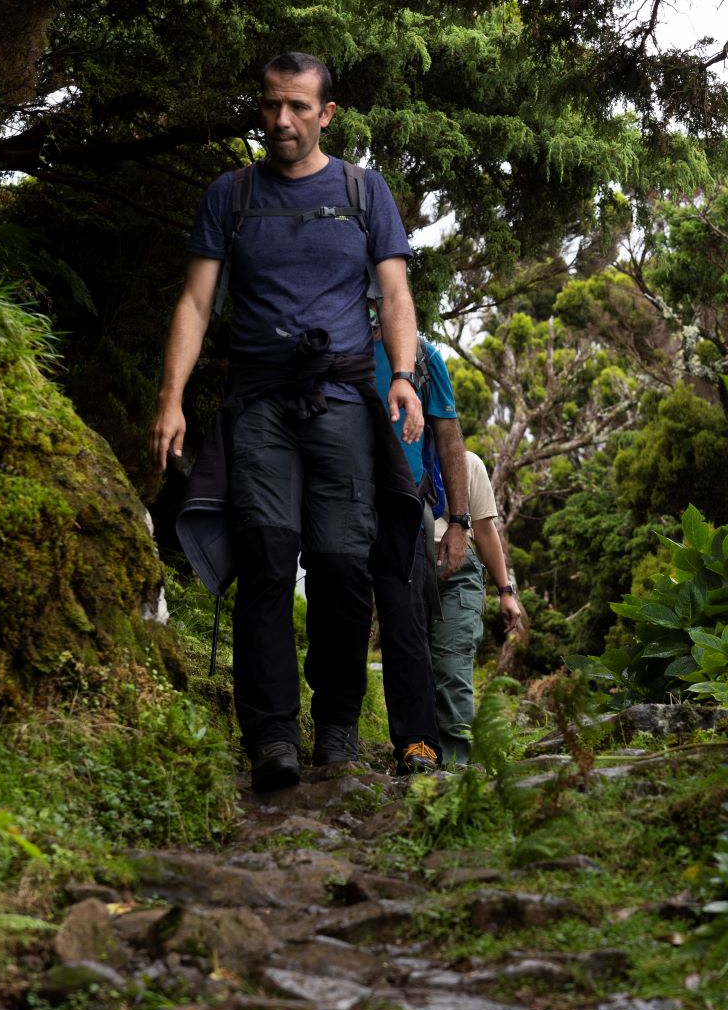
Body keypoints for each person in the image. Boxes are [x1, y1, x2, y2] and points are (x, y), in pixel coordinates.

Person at [151, 52, 427, 791]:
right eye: (273, 105)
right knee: (267, 558)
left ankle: (337, 723)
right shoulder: (231, 195)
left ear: (327, 113)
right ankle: (271, 735)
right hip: (259, 402)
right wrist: (171, 396)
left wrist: (402, 377)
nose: (282, 120)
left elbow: (394, 296)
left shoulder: (366, 193)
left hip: (341, 401)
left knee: (342, 562)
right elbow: (197, 303)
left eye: (299, 107)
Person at [371, 323, 469, 771]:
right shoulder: (337, 343)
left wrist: (459, 524)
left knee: (408, 624)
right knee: (337, 613)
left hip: (408, 504)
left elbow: (449, 438)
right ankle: (335, 735)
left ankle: (418, 742)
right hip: (338, 497)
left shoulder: (425, 359)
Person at [430, 449, 524, 766]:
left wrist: (505, 591)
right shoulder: (392, 456)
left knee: (452, 664)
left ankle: (456, 766)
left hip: (458, 573)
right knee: (412, 664)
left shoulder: (467, 462)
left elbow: (484, 530)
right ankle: (418, 753)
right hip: (407, 570)